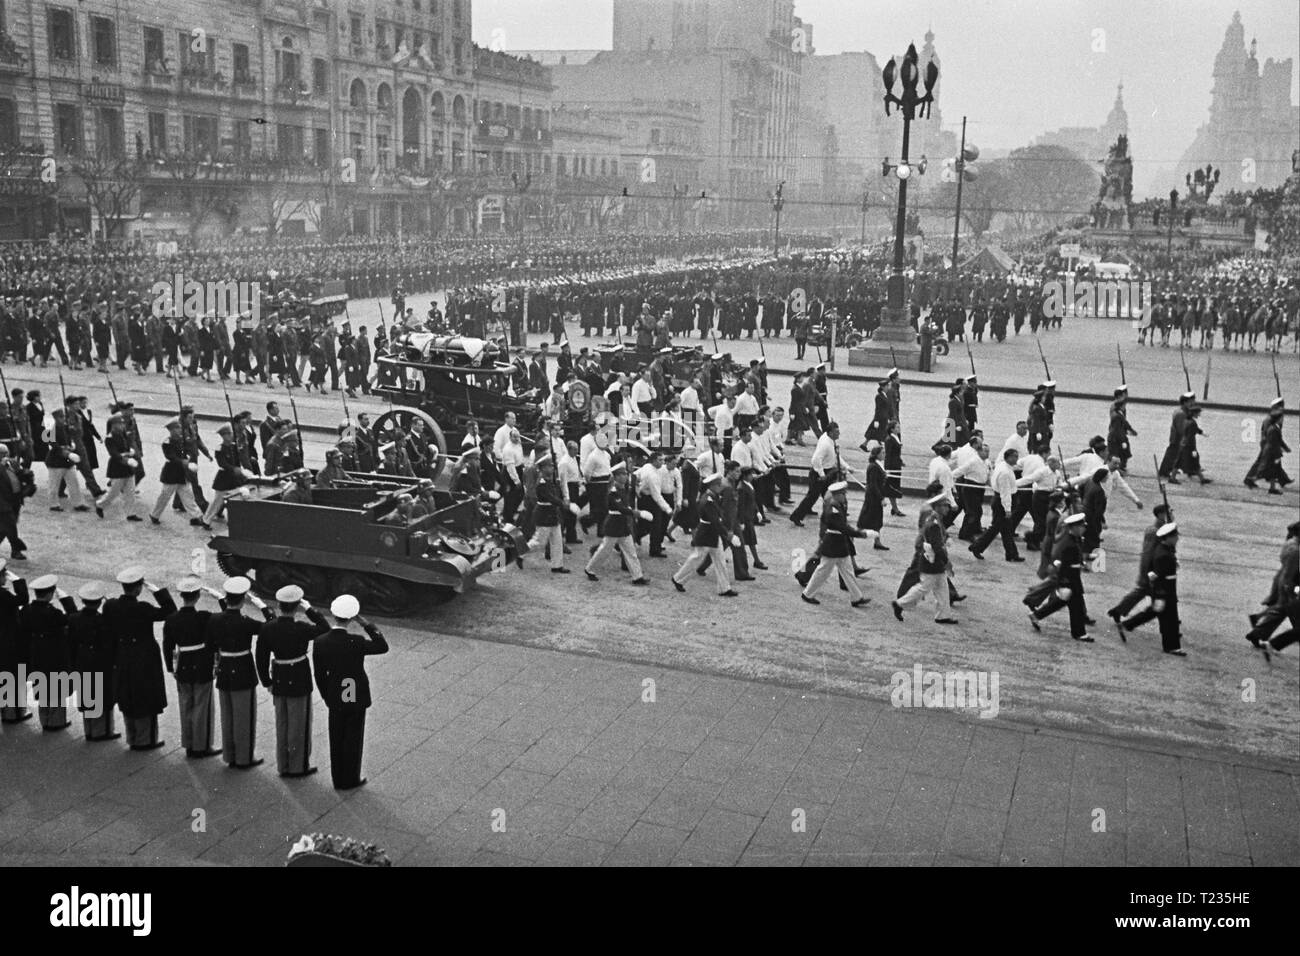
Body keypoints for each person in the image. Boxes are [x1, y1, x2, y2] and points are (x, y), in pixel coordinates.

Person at [313, 593, 388, 791]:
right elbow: (382, 646)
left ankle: (338, 778)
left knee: (336, 737)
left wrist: (326, 696)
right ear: (351, 618)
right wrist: (366, 624)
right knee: (353, 737)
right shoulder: (356, 641)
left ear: (333, 615)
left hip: (335, 692)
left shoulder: (320, 641)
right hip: (354, 690)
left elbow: (319, 674)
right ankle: (351, 777)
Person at [256, 584, 331, 777]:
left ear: (279, 605)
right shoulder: (302, 628)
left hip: (279, 677)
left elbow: (261, 657)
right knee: (299, 725)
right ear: (296, 607)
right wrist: (310, 609)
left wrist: (266, 681)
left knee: (282, 723)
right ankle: (298, 766)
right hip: (298, 677)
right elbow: (325, 628)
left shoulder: (268, 628)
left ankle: (284, 765)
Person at [104, 566, 177, 749]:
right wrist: (157, 591)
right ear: (138, 588)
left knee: (127, 697)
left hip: (122, 656)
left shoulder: (111, 605)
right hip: (144, 658)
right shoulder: (142, 608)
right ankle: (146, 739)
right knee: (146, 698)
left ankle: (132, 737)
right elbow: (170, 610)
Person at [208, 575, 273, 769]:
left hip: (224, 669)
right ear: (243, 600)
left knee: (227, 716)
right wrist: (264, 607)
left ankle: (230, 756)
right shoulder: (247, 622)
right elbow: (272, 625)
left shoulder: (215, 619)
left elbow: (213, 641)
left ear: (226, 598)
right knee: (244, 717)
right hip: (243, 670)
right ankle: (244, 758)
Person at [162, 578, 222, 758]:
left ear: (181, 596)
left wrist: (171, 668)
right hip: (202, 663)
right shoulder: (204, 616)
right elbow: (227, 614)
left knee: (186, 705)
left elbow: (167, 645)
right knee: (202, 706)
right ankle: (201, 745)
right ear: (197, 597)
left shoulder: (172, 619)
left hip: (183, 664)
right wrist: (219, 597)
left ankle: (188, 743)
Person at [20, 574, 78, 730]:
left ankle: (45, 719)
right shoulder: (53, 613)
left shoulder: (27, 610)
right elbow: (73, 616)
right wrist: (66, 599)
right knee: (57, 688)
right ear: (50, 594)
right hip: (54, 654)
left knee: (42, 686)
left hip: (37, 652)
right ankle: (56, 721)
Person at [1118, 522, 1186, 656]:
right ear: (1168, 538)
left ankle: (1127, 625)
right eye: (1175, 536)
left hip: (1166, 591)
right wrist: (1161, 596)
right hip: (1165, 592)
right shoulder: (1163, 555)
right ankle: (1171, 646)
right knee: (1170, 620)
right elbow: (1157, 577)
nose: (1177, 539)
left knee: (1154, 614)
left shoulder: (1164, 550)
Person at [801, 481, 871, 607]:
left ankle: (857, 597)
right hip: (833, 544)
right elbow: (842, 527)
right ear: (838, 494)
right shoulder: (834, 507)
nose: (845, 496)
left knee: (848, 571)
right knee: (823, 571)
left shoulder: (837, 504)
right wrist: (860, 534)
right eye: (843, 494)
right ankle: (807, 594)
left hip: (838, 544)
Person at [892, 493, 957, 624]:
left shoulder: (935, 519)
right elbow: (937, 547)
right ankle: (900, 604)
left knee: (942, 588)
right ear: (938, 507)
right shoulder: (933, 523)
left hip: (932, 561)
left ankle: (943, 615)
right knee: (923, 588)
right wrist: (947, 562)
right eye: (945, 506)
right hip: (932, 562)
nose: (947, 509)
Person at [1026, 513, 1093, 642]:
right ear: (1074, 527)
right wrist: (1064, 583)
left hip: (1073, 577)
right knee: (1075, 605)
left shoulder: (1076, 539)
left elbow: (1075, 557)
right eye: (1081, 526)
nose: (1084, 528)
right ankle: (1079, 633)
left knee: (1064, 602)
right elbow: (1060, 562)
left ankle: (1037, 615)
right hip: (1069, 578)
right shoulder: (1068, 542)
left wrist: (1083, 563)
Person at [671, 472, 736, 597]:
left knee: (720, 561)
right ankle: (678, 579)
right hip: (706, 534)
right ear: (713, 486)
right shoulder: (708, 500)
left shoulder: (711, 497)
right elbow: (714, 521)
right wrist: (728, 535)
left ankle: (725, 588)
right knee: (696, 558)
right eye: (719, 485)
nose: (721, 487)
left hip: (712, 534)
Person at [68, 581, 119, 741]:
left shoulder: (74, 618)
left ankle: (89, 730)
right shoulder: (103, 621)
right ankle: (101, 731)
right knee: (102, 696)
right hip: (100, 661)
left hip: (82, 660)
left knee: (86, 694)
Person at [584, 460, 648, 585]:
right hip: (614, 524)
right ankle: (590, 569)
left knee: (631, 552)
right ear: (617, 476)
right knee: (604, 550)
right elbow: (620, 508)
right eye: (623, 474)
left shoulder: (623, 489)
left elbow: (625, 506)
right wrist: (636, 513)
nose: (625, 476)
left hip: (622, 525)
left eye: (625, 474)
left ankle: (637, 576)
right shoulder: (613, 492)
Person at [1244, 520, 1300, 659]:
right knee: (1287, 610)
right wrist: (1290, 590)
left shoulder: (1290, 544)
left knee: (1281, 610)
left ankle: (1258, 632)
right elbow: (1290, 572)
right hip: (1289, 583)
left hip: (1284, 580)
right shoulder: (1296, 551)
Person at [969, 449, 1025, 563]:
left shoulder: (1003, 467)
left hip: (1000, 500)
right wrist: (1008, 509)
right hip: (1003, 502)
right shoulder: (1005, 472)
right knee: (996, 528)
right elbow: (1005, 492)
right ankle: (977, 546)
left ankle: (1011, 554)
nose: (1016, 459)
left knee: (1006, 530)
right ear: (1008, 457)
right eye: (1014, 456)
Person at [151, 418, 206, 526]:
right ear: (170, 430)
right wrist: (184, 462)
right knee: (164, 496)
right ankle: (154, 515)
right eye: (176, 428)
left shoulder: (181, 440)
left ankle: (197, 516)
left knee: (188, 496)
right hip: (171, 474)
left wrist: (189, 457)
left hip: (181, 474)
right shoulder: (167, 442)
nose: (179, 430)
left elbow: (187, 450)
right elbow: (171, 457)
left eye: (179, 427)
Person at [789, 422, 844, 527]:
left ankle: (839, 511)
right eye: (837, 432)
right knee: (812, 497)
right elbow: (815, 459)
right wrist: (822, 474)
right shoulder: (826, 444)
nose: (839, 434)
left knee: (829, 494)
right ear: (831, 433)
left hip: (827, 471)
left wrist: (846, 467)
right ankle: (796, 516)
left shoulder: (830, 440)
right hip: (820, 473)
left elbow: (836, 457)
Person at [94, 413, 144, 522]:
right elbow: (114, 454)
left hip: (128, 467)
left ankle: (131, 513)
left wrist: (131, 449)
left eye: (122, 423)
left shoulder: (124, 434)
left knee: (130, 492)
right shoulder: (110, 438)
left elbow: (129, 445)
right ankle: (100, 505)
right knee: (114, 492)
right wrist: (126, 457)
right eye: (120, 423)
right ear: (114, 425)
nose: (122, 425)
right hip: (118, 467)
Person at [0, 557, 31, 722]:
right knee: (13, 675)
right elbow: (23, 599)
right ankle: (14, 713)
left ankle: (6, 711)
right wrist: (18, 582)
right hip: (9, 641)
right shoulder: (3, 595)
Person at [1244, 397, 1292, 494]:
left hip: (1271, 445)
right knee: (1263, 464)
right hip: (1267, 445)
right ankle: (1250, 479)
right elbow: (1270, 435)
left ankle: (1282, 480)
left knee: (1274, 465)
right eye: (1281, 405)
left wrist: (1283, 447)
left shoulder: (1275, 417)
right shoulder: (1270, 420)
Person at [0, 442, 32, 560]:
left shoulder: (12, 463)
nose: (4, 456)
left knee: (5, 528)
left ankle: (16, 550)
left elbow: (21, 474)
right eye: (1, 454)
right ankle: (16, 550)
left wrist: (27, 479)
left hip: (14, 501)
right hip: (3, 503)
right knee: (10, 526)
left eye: (5, 454)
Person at [856, 441, 889, 550]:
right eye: (883, 453)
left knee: (877, 520)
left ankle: (877, 541)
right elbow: (874, 485)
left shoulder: (878, 465)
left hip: (874, 497)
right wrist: (881, 498)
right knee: (866, 520)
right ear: (877, 454)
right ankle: (852, 536)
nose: (885, 454)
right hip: (873, 498)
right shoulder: (874, 467)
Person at [1107, 386, 1137, 474]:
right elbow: (1118, 424)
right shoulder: (1115, 408)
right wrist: (1123, 438)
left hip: (1120, 432)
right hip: (1117, 434)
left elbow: (1123, 420)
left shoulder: (1119, 407)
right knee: (1117, 453)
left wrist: (1129, 429)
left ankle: (1120, 468)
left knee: (1124, 452)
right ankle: (1117, 469)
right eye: (1124, 394)